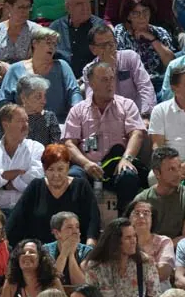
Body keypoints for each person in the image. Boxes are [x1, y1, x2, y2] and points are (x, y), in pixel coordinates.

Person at [63, 62, 147, 205]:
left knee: (128, 175)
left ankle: (123, 222)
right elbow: (69, 143)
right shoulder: (78, 110)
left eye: (111, 79)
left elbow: (137, 134)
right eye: (104, 80)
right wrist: (86, 164)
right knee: (74, 177)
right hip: (88, 165)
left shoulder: (127, 105)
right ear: (91, 84)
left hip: (116, 163)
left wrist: (127, 159)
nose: (110, 84)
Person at [84, 217, 160, 297]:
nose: (134, 241)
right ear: (114, 242)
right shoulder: (96, 267)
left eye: (134, 236)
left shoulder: (145, 263)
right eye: (128, 238)